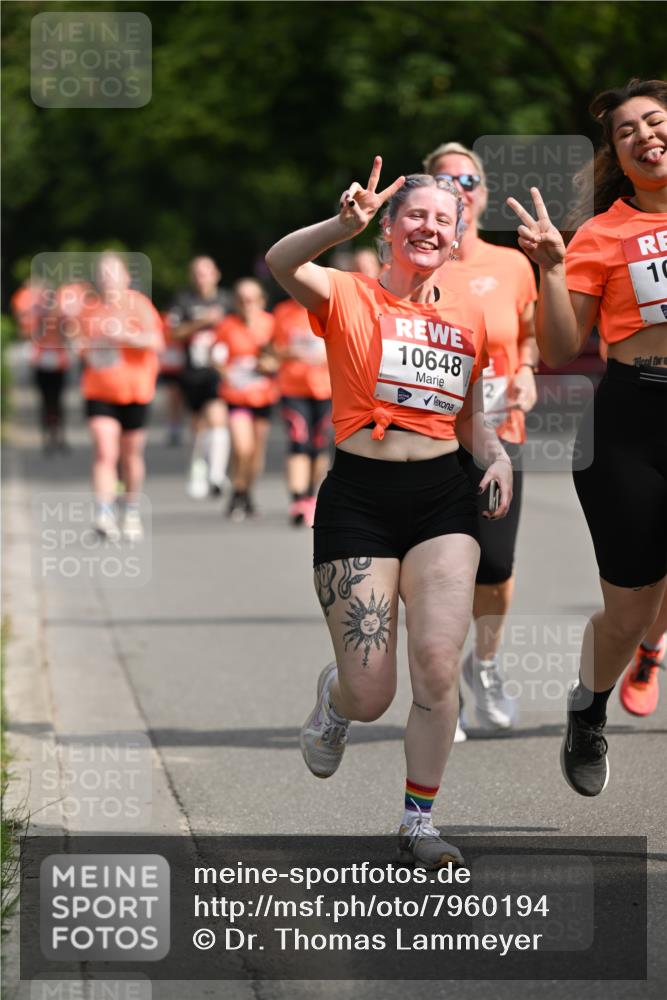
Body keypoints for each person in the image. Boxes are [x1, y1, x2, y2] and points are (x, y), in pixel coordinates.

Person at [266, 160, 513, 867]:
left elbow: (468, 419)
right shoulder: (344, 294)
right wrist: (337, 225)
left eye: (444, 218)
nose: (429, 226)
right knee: (372, 690)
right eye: (415, 216)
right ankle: (335, 701)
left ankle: (417, 822)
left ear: (458, 233)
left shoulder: (469, 317)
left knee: (436, 666)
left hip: (442, 498)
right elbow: (281, 260)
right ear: (389, 228)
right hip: (359, 503)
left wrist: (492, 456)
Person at [508, 78, 667, 795]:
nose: (643, 135)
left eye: (654, 121)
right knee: (628, 608)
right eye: (626, 131)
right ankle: (588, 708)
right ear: (616, 155)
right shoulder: (601, 234)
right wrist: (551, 267)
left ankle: (648, 653)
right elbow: (557, 343)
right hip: (630, 423)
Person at [423, 142, 539, 738]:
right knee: (444, 568)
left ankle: (484, 665)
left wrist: (524, 373)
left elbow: (528, 338)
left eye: (470, 179)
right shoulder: (413, 263)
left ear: (485, 193)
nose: (460, 187)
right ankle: (441, 691)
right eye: (446, 180)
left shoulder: (514, 265)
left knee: (493, 564)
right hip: (431, 436)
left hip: (500, 432)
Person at [78, 252, 164, 542]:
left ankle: (130, 510)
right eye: (103, 274)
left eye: (113, 273)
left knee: (130, 456)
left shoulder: (138, 305)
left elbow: (156, 341)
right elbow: (80, 347)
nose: (107, 278)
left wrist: (127, 336)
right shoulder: (90, 310)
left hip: (136, 391)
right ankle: (103, 513)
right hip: (99, 390)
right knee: (104, 451)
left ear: (126, 277)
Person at [167, 257, 231, 498]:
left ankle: (216, 474)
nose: (201, 278)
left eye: (206, 273)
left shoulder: (226, 301)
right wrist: (202, 322)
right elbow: (174, 333)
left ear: (216, 274)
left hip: (217, 370)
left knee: (217, 418)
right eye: (197, 273)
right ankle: (198, 467)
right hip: (191, 371)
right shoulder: (183, 301)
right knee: (198, 426)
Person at [215, 279, 278, 520]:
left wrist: (270, 364)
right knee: (242, 447)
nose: (246, 304)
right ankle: (237, 491)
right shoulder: (227, 325)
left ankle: (246, 493)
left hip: (263, 396)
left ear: (261, 301)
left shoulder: (270, 324)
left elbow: (279, 355)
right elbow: (216, 356)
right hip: (237, 396)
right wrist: (224, 370)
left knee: (256, 453)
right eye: (241, 300)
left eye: (251, 299)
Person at [273, 297, 332, 526]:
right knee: (298, 440)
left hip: (324, 388)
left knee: (318, 444)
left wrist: (324, 355)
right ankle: (297, 499)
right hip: (292, 387)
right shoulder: (282, 311)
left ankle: (310, 495)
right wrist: (291, 352)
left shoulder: (327, 308)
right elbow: (274, 350)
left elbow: (345, 343)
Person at [11, 278, 72, 454]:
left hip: (58, 363)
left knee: (57, 401)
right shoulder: (35, 316)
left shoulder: (60, 316)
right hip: (41, 363)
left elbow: (67, 335)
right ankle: (47, 438)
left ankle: (59, 437)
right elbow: (25, 334)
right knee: (46, 402)